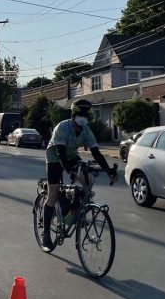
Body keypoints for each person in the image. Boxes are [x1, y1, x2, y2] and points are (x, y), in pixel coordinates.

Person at [41, 99, 117, 251]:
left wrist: (108, 170)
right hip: (55, 157)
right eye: (80, 114)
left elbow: (96, 152)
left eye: (85, 115)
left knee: (88, 180)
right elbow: (61, 154)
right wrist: (70, 171)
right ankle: (46, 233)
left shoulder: (86, 130)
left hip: (72, 155)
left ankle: (75, 212)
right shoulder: (62, 127)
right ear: (73, 115)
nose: (83, 117)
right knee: (53, 192)